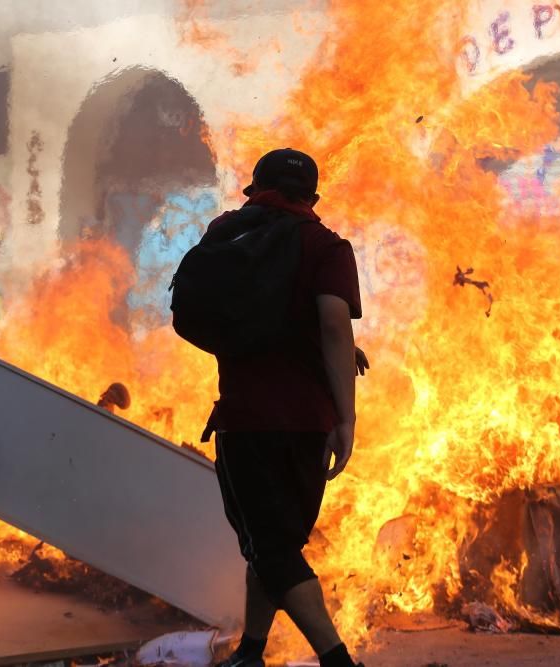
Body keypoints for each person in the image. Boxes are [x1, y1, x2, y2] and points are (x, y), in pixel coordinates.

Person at [208, 148, 366, 667]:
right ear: (312, 198)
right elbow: (332, 326)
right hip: (307, 426)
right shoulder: (327, 247)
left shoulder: (229, 238)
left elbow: (210, 317)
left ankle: (336, 660)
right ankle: (251, 652)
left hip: (247, 421)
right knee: (275, 547)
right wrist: (345, 418)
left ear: (255, 191)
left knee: (271, 549)